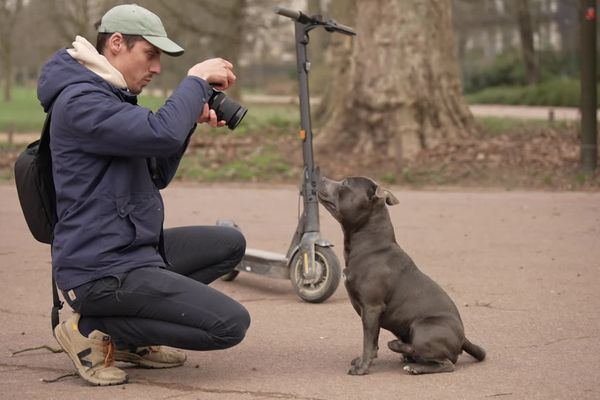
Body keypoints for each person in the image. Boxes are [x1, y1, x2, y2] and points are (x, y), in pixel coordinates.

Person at [37, 4, 251, 386]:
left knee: (228, 244)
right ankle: (92, 328)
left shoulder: (110, 96)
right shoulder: (81, 101)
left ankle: (127, 338)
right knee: (229, 325)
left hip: (129, 249)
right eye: (150, 55)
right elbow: (160, 133)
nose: (155, 68)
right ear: (116, 43)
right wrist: (196, 80)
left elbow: (158, 171)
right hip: (98, 269)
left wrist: (190, 122)